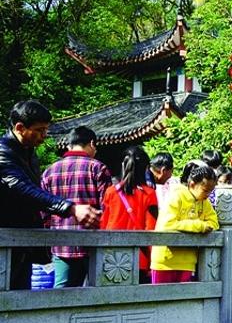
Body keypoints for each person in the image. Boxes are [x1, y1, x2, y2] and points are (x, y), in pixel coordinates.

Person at [0, 100, 101, 290]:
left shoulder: (29, 152)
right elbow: (23, 189)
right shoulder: (3, 152)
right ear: (20, 127)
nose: (44, 136)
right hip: (6, 237)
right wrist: (71, 208)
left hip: (21, 241)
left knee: (19, 300)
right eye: (39, 130)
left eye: (46, 130)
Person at [40, 126, 112, 288]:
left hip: (61, 244)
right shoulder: (98, 168)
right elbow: (106, 208)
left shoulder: (49, 171)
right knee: (95, 293)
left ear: (69, 145)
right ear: (92, 143)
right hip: (92, 244)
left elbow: (43, 211)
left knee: (61, 293)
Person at [150, 165, 219, 284]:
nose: (208, 194)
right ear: (192, 184)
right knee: (160, 300)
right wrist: (200, 226)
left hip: (188, 262)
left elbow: (214, 223)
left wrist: (196, 226)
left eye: (210, 191)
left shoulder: (205, 202)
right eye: (205, 190)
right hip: (165, 261)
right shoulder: (176, 196)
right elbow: (168, 225)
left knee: (185, 301)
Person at [100, 146, 158, 283]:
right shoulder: (149, 194)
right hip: (139, 258)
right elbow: (151, 230)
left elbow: (103, 224)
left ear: (123, 165)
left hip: (112, 256)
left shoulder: (110, 192)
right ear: (145, 168)